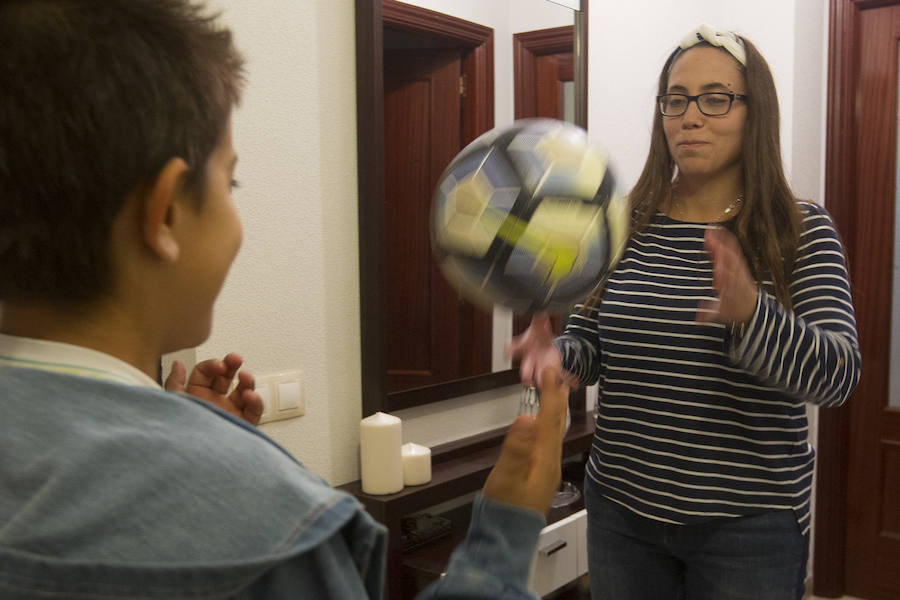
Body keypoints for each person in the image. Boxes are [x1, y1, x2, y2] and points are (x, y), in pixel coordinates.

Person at [0, 1, 569, 598]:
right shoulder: (271, 531)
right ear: (165, 211)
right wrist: (505, 528)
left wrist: (186, 436)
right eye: (230, 181)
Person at [507, 24, 861, 600]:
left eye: (716, 98)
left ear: (756, 112)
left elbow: (839, 377)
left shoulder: (800, 230)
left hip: (749, 526)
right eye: (675, 99)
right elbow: (594, 344)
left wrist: (753, 316)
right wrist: (558, 358)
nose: (689, 117)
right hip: (623, 511)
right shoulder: (624, 224)